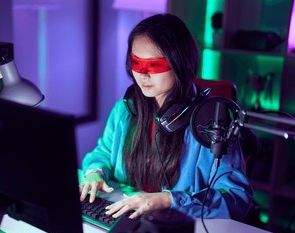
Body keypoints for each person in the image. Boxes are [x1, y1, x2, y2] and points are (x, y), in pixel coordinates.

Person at [79, 13, 253, 221]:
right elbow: (103, 153)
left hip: (181, 230)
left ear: (180, 64)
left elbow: (236, 198)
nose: (143, 75)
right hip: (126, 220)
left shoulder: (211, 125)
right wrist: (95, 172)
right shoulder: (124, 111)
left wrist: (166, 200)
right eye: (136, 63)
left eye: (154, 65)